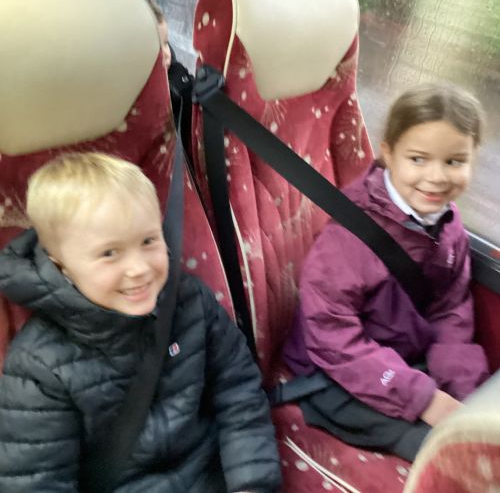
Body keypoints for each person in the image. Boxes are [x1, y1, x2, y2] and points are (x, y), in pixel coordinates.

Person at [0, 153, 281, 493]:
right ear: (62, 267)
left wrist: (252, 482)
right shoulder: (39, 366)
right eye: (109, 253)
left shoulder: (189, 301)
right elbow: (37, 480)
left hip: (212, 475)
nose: (139, 268)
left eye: (148, 241)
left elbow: (238, 391)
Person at [283, 83, 490, 461]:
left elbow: (451, 310)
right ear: (389, 154)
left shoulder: (449, 226)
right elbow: (331, 334)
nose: (437, 177)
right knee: (449, 453)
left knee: (481, 425)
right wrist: (423, 398)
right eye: (418, 159)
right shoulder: (350, 236)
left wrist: (463, 391)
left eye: (454, 161)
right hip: (334, 374)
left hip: (403, 357)